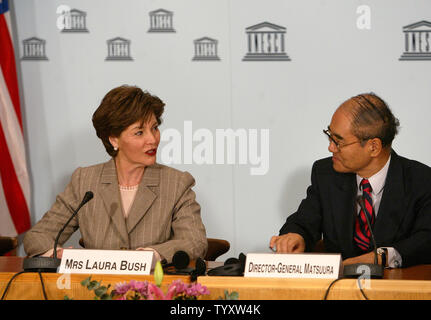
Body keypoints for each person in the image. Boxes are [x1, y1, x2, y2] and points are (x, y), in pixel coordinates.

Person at [24, 85, 208, 263]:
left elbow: (194, 241)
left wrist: (154, 255)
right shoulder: (85, 181)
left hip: (151, 289)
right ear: (114, 139)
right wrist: (56, 253)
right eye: (139, 132)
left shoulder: (176, 183)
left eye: (154, 128)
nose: (152, 139)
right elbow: (38, 236)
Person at [270, 93, 431, 268]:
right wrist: (296, 235)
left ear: (373, 147)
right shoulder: (326, 174)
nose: (330, 147)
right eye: (329, 135)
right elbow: (304, 220)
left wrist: (383, 257)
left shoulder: (421, 180)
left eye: (338, 141)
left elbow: (425, 240)